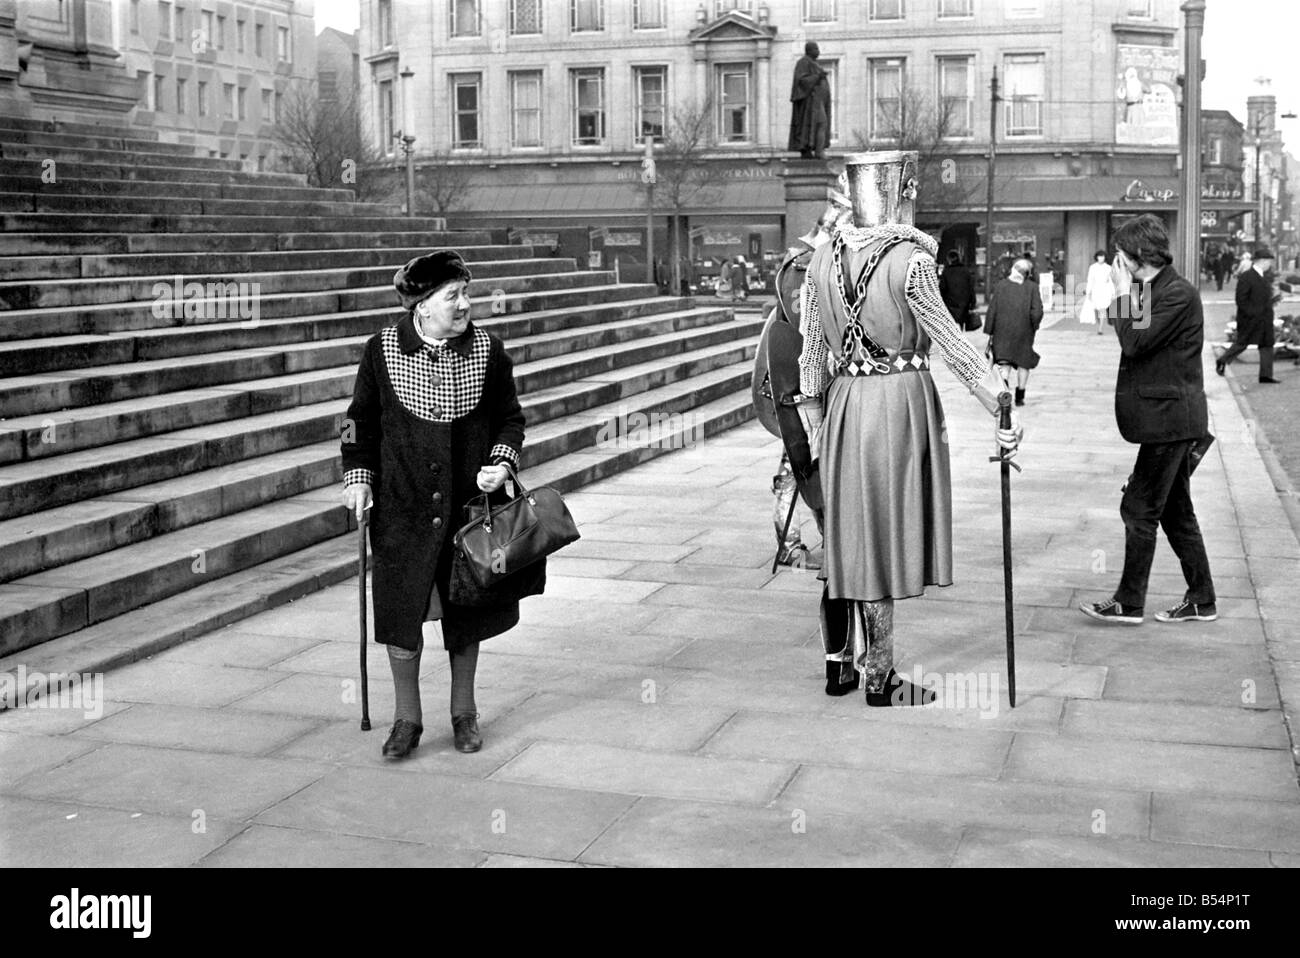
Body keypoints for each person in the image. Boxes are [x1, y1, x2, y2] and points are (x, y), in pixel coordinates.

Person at [797, 151, 1022, 706]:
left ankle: (853, 668)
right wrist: (997, 400)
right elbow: (949, 339)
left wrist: (819, 425)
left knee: (855, 534)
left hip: (845, 404)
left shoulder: (820, 261)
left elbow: (809, 358)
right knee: (888, 535)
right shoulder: (911, 260)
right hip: (899, 405)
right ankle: (880, 678)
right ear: (898, 192)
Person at [341, 250, 527, 758]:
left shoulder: (489, 351)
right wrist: (357, 479)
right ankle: (407, 720)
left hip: (469, 513)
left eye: (467, 293)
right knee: (404, 613)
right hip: (402, 511)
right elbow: (357, 422)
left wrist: (502, 462)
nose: (465, 304)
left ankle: (463, 714)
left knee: (467, 612)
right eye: (453, 296)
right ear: (421, 306)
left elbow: (511, 419)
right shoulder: (380, 351)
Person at [1080, 214, 1217, 626]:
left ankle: (1129, 602)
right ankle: (1203, 599)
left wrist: (1122, 294)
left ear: (1137, 255)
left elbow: (1136, 343)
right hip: (1165, 419)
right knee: (1177, 515)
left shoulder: (1177, 293)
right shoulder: (1155, 289)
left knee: (1138, 508)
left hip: (1170, 421)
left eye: (1121, 255)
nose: (1117, 262)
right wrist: (1130, 293)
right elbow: (1138, 339)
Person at [752, 174, 855, 691]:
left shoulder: (843, 262)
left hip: (849, 416)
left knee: (852, 549)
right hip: (818, 421)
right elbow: (806, 352)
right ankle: (844, 664)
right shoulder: (808, 271)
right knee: (843, 547)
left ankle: (852, 663)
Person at [984, 258, 1044, 406]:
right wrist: (1033, 326)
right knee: (1024, 363)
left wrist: (990, 330)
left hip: (1002, 331)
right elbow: (1037, 312)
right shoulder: (1032, 287)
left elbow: (992, 310)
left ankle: (1004, 395)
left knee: (1004, 363)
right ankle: (1020, 396)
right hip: (1024, 332)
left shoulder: (1001, 285)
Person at [1217, 246, 1280, 384]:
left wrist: (1273, 300)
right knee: (1242, 343)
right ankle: (1222, 360)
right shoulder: (1247, 277)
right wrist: (1253, 313)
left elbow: (1262, 298)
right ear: (1261, 261)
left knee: (1267, 344)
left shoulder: (1264, 277)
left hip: (1265, 318)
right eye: (1269, 261)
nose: (1270, 264)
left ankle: (1265, 375)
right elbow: (1241, 299)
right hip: (1250, 319)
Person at [788, 42, 831, 160]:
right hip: (810, 104)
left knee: (822, 124)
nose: (818, 51)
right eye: (816, 49)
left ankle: (818, 150)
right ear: (809, 50)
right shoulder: (803, 62)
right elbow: (800, 81)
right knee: (820, 124)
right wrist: (818, 76)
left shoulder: (814, 64)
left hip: (818, 102)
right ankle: (814, 150)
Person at [938, 250, 978, 331]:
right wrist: (973, 302)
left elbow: (942, 289)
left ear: (949, 260)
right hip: (964, 305)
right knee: (960, 325)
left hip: (950, 305)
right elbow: (971, 288)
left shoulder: (946, 272)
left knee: (950, 327)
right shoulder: (965, 271)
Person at [1085, 249, 1117, 335]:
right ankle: (1100, 324)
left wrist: (1113, 293)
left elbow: (1111, 281)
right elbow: (1090, 280)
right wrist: (1088, 291)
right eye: (1099, 256)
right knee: (1096, 309)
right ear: (1096, 257)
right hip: (1096, 289)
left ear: (1105, 257)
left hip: (1105, 290)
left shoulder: (1108, 268)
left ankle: (1100, 328)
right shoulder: (1092, 267)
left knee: (1102, 309)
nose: (1101, 258)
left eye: (1102, 256)